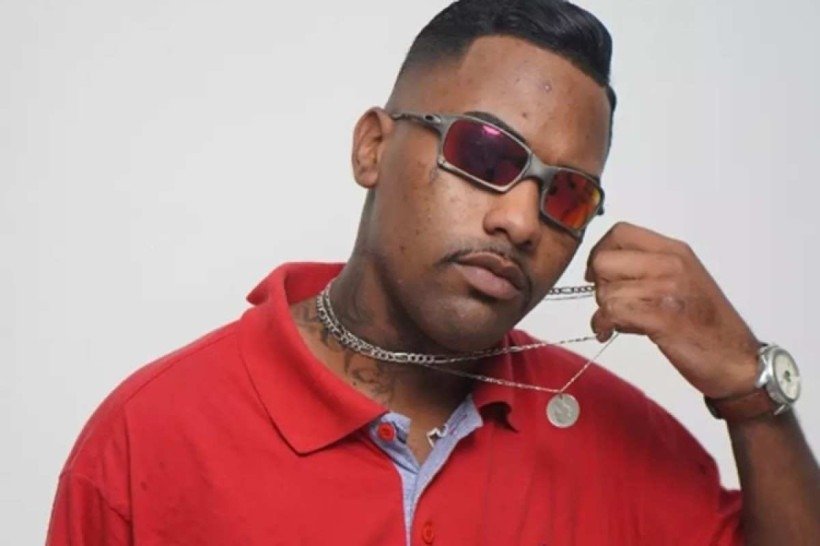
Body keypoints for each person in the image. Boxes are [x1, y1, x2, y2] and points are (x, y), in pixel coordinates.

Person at [46, 1, 820, 544]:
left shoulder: (615, 436)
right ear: (373, 149)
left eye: (566, 193)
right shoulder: (150, 437)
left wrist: (749, 392)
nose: (521, 221)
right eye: (485, 153)